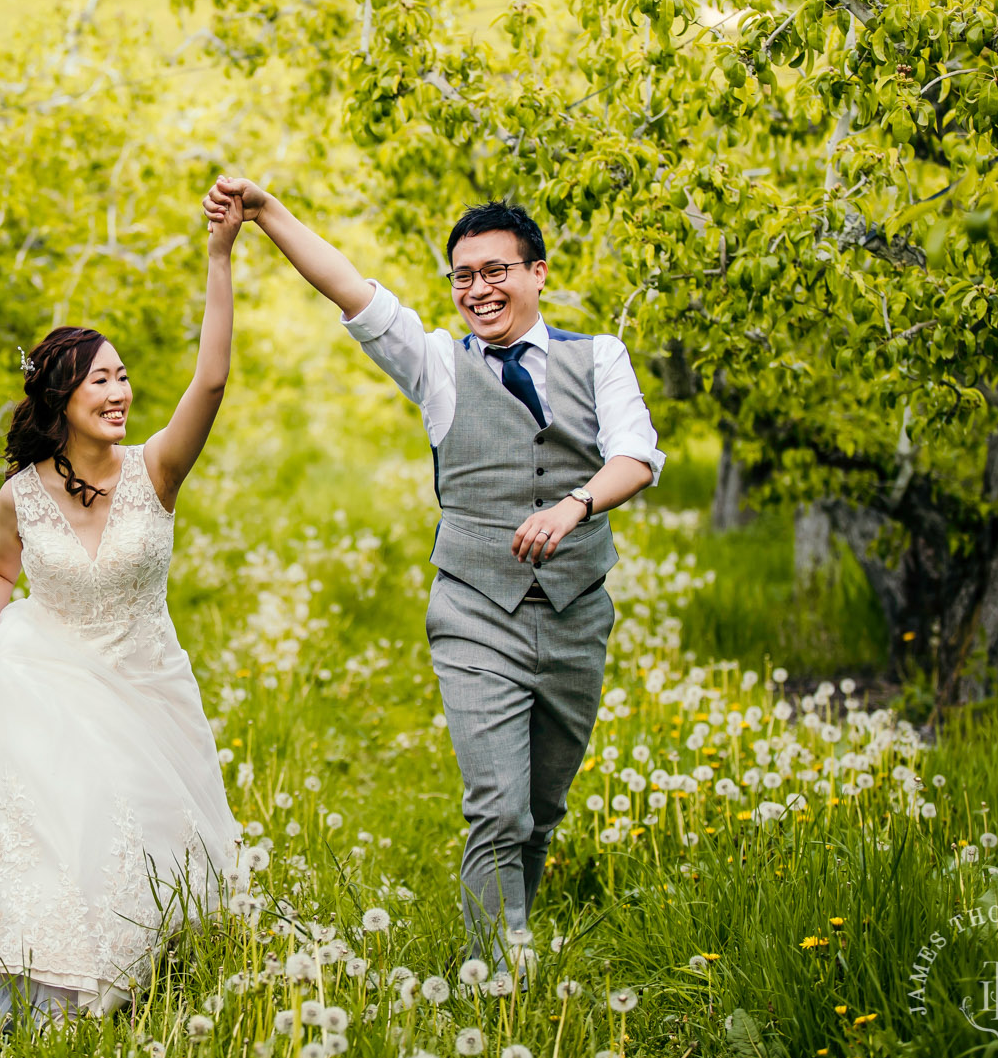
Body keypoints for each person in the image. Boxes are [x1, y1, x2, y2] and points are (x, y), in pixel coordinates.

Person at [200, 176, 663, 959]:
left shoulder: (601, 357)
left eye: (496, 271)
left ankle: (514, 933)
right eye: (463, 276)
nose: (478, 289)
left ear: (538, 273)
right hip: (476, 612)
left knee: (541, 810)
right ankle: (499, 971)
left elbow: (637, 456)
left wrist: (574, 505)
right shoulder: (437, 364)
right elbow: (349, 288)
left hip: (578, 612)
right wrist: (268, 212)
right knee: (498, 808)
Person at [0, 198, 246, 1034]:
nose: (122, 391)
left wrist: (220, 256)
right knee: (62, 827)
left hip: (143, 678)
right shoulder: (20, 494)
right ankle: (52, 987)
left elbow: (211, 380)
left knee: (145, 838)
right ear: (63, 396)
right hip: (48, 674)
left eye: (124, 376)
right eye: (103, 379)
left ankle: (134, 972)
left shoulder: (155, 468)